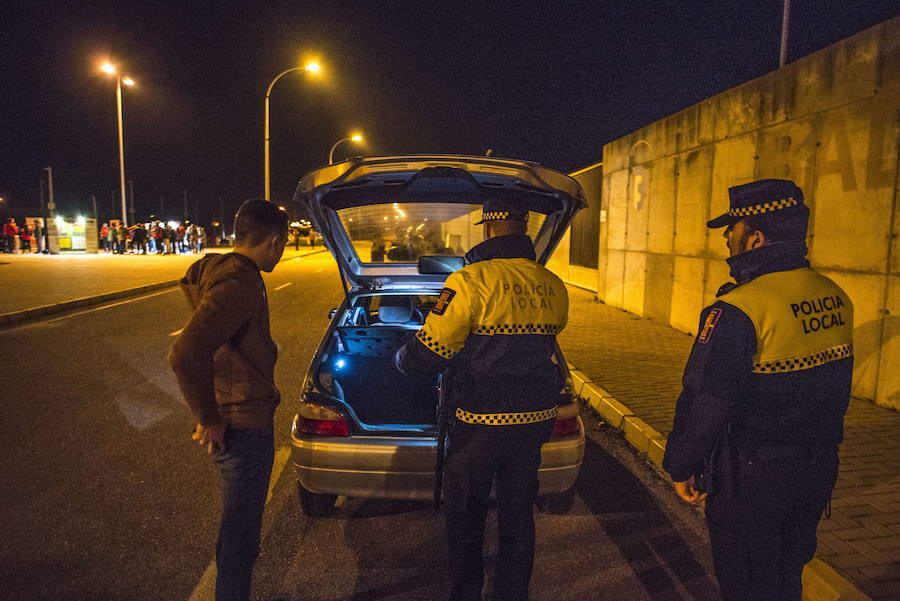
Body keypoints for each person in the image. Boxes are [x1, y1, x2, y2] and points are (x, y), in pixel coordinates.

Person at [662, 179, 854, 601]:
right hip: (817, 470)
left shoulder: (738, 309)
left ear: (755, 236)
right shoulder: (835, 295)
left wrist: (681, 464)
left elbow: (706, 401)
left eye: (730, 229)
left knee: (748, 584)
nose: (727, 240)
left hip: (752, 480)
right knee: (788, 576)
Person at [395, 197, 568, 601]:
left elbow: (433, 351)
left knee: (466, 515)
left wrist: (401, 359)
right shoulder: (551, 284)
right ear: (523, 229)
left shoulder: (469, 281)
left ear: (488, 228)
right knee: (518, 514)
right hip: (534, 421)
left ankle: (466, 594)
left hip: (480, 423)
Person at [168, 199, 288, 601]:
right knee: (240, 538)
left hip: (234, 414)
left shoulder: (223, 271)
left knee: (237, 533)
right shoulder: (239, 280)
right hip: (243, 426)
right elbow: (185, 353)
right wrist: (209, 415)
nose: (283, 250)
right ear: (274, 241)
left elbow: (220, 348)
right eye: (283, 243)